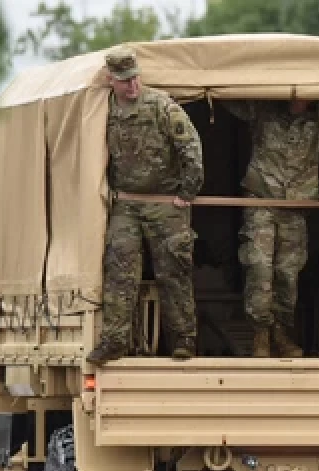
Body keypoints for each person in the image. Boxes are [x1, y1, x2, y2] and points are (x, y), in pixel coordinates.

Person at [86, 46, 205, 366]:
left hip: (165, 203)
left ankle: (183, 340)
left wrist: (187, 192)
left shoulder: (161, 106)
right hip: (127, 204)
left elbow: (190, 146)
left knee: (174, 271)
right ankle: (114, 340)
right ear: (111, 79)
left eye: (136, 78)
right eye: (125, 81)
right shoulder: (103, 110)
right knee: (120, 271)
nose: (133, 86)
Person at [225, 99, 319, 357]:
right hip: (261, 201)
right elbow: (230, 96)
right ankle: (260, 336)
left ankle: (281, 333)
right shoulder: (262, 110)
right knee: (259, 268)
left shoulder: (318, 119)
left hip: (295, 207)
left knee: (288, 275)